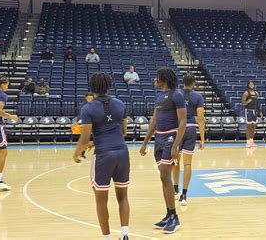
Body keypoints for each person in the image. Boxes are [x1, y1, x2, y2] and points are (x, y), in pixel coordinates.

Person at [73, 72, 130, 240]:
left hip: (104, 155)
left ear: (92, 87)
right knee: (123, 197)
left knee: (101, 199)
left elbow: (84, 138)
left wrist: (77, 153)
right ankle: (125, 234)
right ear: (108, 86)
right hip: (122, 152)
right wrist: (97, 141)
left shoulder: (88, 108)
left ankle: (107, 238)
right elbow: (123, 131)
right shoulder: (120, 104)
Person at [139, 67, 186, 234]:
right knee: (163, 177)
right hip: (158, 138)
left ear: (163, 78)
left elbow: (182, 122)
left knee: (165, 175)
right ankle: (169, 213)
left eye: (157, 77)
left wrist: (175, 146)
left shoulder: (177, 95)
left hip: (171, 136)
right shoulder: (158, 96)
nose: (154, 79)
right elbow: (154, 120)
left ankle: (175, 218)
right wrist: (145, 142)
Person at [172, 73, 205, 206]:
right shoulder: (198, 97)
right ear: (194, 83)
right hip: (191, 128)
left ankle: (175, 189)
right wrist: (202, 139)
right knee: (187, 164)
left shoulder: (176, 94)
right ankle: (184, 195)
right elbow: (201, 119)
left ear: (183, 82)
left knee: (175, 161)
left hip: (177, 128)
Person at [0, 75, 19, 191]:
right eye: (7, 84)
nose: (8, 87)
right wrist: (11, 116)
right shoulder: (2, 95)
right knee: (3, 151)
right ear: (2, 84)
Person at [241, 80, 262, 148]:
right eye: (250, 84)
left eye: (252, 84)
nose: (252, 85)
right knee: (249, 126)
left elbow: (257, 103)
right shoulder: (246, 93)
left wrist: (260, 111)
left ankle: (252, 141)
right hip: (248, 111)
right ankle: (247, 142)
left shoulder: (256, 93)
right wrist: (247, 101)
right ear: (248, 85)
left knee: (253, 126)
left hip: (255, 111)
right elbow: (243, 103)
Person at [74, 93, 95, 159]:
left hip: (94, 123)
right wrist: (77, 121)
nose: (90, 100)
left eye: (91, 98)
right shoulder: (83, 105)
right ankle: (82, 153)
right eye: (89, 98)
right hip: (86, 124)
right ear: (86, 98)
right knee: (86, 139)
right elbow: (80, 115)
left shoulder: (95, 104)